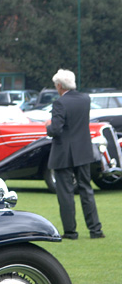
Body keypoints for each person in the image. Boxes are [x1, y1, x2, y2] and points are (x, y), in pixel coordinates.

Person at [46, 69, 104, 239]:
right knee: (87, 190)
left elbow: (55, 130)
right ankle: (96, 230)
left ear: (59, 85)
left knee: (65, 193)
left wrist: (47, 126)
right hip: (84, 151)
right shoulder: (85, 99)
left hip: (64, 153)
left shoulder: (59, 103)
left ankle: (70, 231)